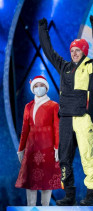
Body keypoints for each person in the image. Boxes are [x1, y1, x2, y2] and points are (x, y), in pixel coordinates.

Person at [38, 15, 93, 206]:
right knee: (64, 158)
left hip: (83, 118)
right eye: (73, 50)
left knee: (87, 156)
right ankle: (69, 194)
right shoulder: (65, 67)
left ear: (85, 51)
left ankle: (91, 195)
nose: (74, 53)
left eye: (78, 50)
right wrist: (43, 30)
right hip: (66, 118)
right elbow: (49, 52)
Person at [15, 75, 61, 206]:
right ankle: (31, 207)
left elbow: (57, 128)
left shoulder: (53, 105)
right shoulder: (28, 106)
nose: (38, 88)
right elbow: (24, 130)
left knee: (46, 180)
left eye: (41, 85)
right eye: (36, 86)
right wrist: (21, 149)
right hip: (31, 147)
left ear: (46, 87)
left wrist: (57, 147)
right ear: (32, 88)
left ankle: (45, 207)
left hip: (48, 146)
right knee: (30, 181)